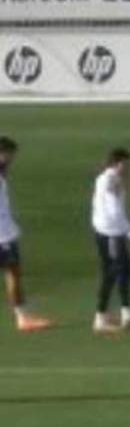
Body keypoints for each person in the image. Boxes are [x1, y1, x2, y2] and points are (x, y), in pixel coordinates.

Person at [0, 137, 51, 332]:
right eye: (10, 154)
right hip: (3, 235)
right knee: (13, 274)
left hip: (6, 232)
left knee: (13, 274)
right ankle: (22, 319)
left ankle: (22, 317)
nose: (12, 158)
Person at [91, 148, 130, 333]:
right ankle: (101, 318)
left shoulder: (107, 178)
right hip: (110, 233)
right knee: (113, 273)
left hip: (110, 231)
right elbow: (114, 210)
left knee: (123, 271)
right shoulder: (111, 180)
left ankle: (126, 314)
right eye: (126, 164)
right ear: (118, 163)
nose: (128, 168)